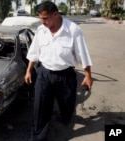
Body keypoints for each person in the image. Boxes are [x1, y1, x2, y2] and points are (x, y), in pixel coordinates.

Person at [24, 1, 93, 141]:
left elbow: (83, 54)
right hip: (44, 73)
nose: (42, 21)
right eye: (40, 18)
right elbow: (34, 52)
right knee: (40, 107)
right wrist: (29, 70)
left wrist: (88, 75)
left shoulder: (73, 30)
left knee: (67, 103)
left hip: (65, 75)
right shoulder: (41, 30)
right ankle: (37, 137)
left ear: (55, 14)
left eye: (45, 18)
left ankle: (65, 117)